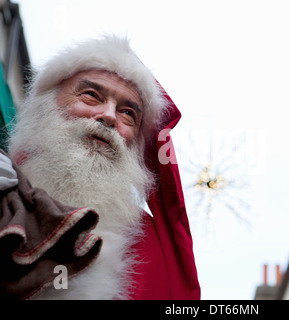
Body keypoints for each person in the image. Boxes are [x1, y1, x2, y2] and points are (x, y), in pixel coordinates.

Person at [0, 35, 201, 300]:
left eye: (128, 113)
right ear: (45, 104)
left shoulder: (150, 245)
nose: (108, 115)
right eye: (91, 95)